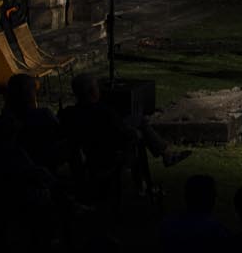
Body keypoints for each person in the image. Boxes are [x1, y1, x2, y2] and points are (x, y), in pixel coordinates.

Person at [60, 72, 188, 195]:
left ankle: (163, 157)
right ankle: (161, 160)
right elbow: (126, 134)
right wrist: (135, 133)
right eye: (97, 87)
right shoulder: (104, 113)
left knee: (138, 121)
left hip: (90, 157)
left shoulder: (69, 114)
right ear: (92, 91)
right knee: (139, 131)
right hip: (113, 158)